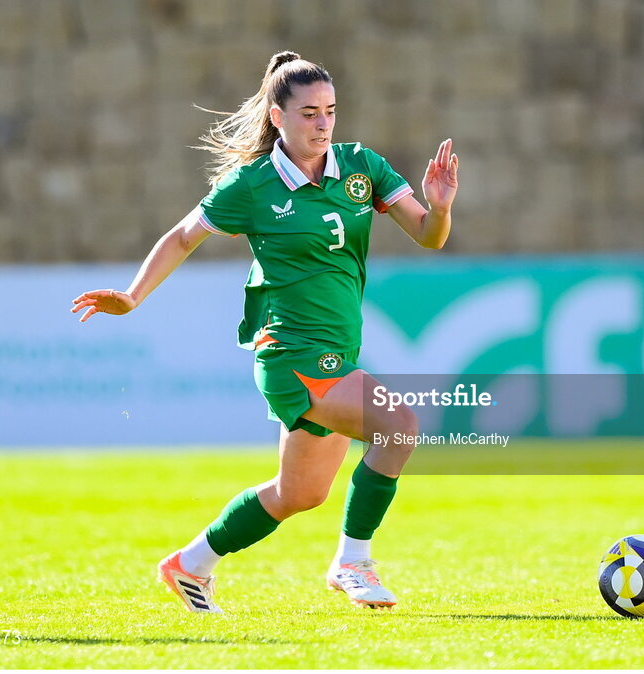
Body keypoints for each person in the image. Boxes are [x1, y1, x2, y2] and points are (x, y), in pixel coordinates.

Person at [70, 51, 458, 612]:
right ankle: (353, 562)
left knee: (298, 494)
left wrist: (441, 208)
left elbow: (429, 236)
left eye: (330, 111)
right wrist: (132, 296)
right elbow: (182, 237)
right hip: (291, 353)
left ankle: (190, 564)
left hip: (337, 354)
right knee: (398, 426)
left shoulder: (361, 167)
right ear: (278, 117)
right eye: (308, 113)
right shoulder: (252, 185)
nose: (323, 124)